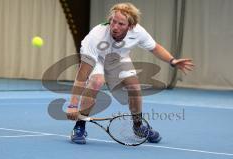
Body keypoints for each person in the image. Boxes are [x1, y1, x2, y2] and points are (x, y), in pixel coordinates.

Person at [66, 3, 194, 144]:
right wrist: (73, 105)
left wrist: (172, 60)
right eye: (113, 21)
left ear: (130, 26)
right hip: (97, 58)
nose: (115, 27)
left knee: (134, 87)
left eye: (121, 24)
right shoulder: (96, 36)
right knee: (96, 81)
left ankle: (138, 126)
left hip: (119, 57)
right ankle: (79, 126)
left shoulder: (138, 32)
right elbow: (82, 76)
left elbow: (155, 48)